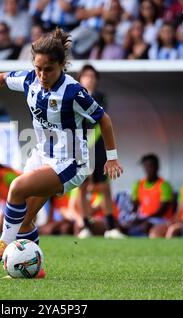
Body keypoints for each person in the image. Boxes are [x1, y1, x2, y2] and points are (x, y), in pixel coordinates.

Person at [0, 28, 123, 271]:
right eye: (38, 68)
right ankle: (35, 269)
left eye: (48, 69)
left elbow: (104, 119)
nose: (42, 74)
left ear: (62, 65)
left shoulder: (74, 92)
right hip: (43, 155)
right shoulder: (30, 79)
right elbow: (2, 78)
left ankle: (4, 242)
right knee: (24, 220)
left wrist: (112, 158)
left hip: (71, 162)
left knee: (17, 187)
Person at [75, 64, 125, 239]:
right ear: (80, 79)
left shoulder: (101, 98)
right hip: (80, 147)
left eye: (92, 76)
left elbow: (96, 116)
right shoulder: (72, 96)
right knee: (82, 187)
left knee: (104, 187)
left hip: (98, 147)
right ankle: (85, 226)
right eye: (86, 75)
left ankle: (111, 227)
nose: (90, 78)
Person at [129, 153, 174, 238]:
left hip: (161, 219)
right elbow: (135, 207)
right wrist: (134, 217)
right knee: (127, 225)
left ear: (157, 167)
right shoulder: (138, 184)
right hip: (144, 217)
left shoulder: (164, 185)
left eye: (150, 166)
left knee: (146, 225)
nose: (148, 169)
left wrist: (144, 218)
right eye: (145, 166)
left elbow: (162, 211)